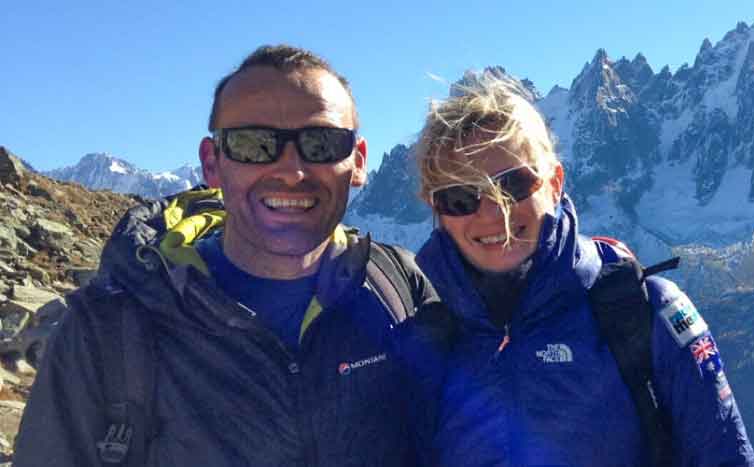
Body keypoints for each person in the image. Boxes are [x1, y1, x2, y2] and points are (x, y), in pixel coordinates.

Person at [15, 45, 438, 466]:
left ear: (358, 161)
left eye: (322, 143)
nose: (291, 171)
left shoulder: (397, 287)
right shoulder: (109, 326)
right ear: (211, 163)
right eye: (253, 144)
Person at [411, 71, 754, 466]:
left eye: (513, 185)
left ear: (555, 182)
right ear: (434, 207)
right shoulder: (412, 326)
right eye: (459, 197)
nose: (494, 213)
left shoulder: (642, 310)